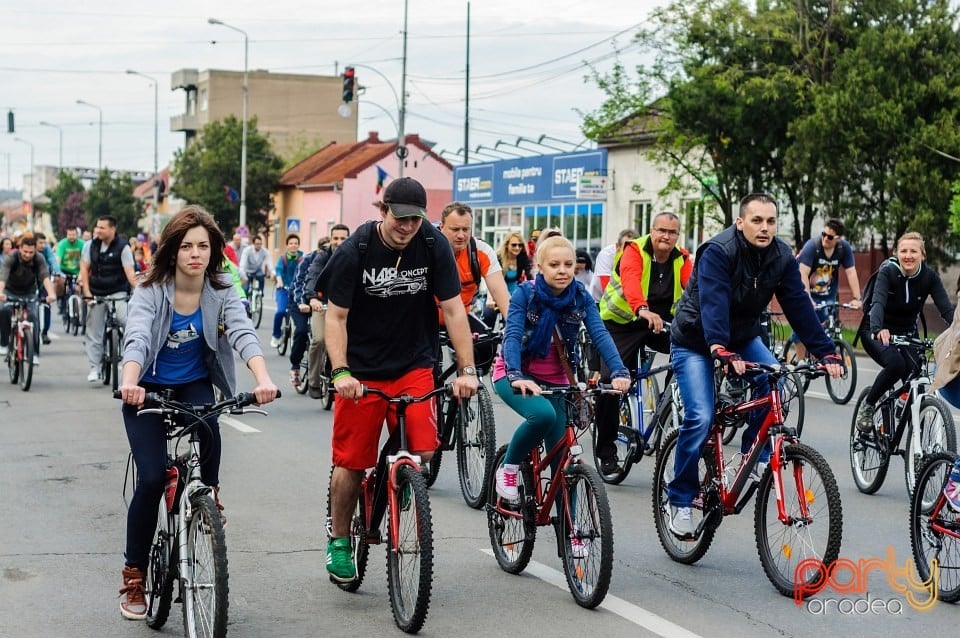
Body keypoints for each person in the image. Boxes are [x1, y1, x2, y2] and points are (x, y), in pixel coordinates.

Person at [115, 205, 278, 621]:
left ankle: (208, 496)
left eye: (203, 246)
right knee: (151, 478)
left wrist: (262, 379)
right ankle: (134, 575)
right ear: (173, 250)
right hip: (147, 389)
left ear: (214, 250)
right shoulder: (151, 289)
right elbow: (136, 336)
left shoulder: (221, 291)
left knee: (209, 425)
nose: (195, 254)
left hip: (192, 384)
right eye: (187, 246)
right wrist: (131, 382)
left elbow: (242, 332)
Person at [319, 176, 478, 583]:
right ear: (382, 210)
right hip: (361, 370)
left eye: (415, 219)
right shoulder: (356, 249)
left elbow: (454, 310)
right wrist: (340, 371)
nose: (407, 227)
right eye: (399, 218)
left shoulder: (433, 243)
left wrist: (467, 370)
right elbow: (335, 317)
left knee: (423, 450)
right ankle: (339, 539)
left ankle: (395, 475)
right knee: (351, 464)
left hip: (413, 363)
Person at [667, 193, 843, 539]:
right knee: (701, 416)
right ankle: (681, 500)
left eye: (771, 222)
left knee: (776, 380)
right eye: (757, 220)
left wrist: (826, 352)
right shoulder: (719, 251)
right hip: (696, 338)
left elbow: (798, 304)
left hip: (742, 336)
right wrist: (718, 345)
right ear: (740, 222)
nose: (765, 228)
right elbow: (714, 299)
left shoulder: (781, 257)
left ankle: (754, 454)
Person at [492, 235, 630, 515]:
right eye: (554, 264)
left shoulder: (580, 296)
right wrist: (516, 374)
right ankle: (508, 466)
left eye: (568, 264)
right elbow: (514, 334)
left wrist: (618, 370)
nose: (563, 270)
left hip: (559, 381)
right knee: (543, 416)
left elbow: (600, 334)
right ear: (539, 267)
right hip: (514, 375)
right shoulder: (525, 294)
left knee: (561, 462)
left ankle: (572, 531)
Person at [594, 212, 692, 474]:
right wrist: (641, 308)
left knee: (691, 350)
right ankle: (605, 450)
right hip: (621, 323)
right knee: (610, 383)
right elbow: (630, 281)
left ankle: (672, 404)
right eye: (661, 230)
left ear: (677, 235)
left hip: (657, 324)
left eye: (672, 232)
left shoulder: (682, 258)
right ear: (652, 230)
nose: (666, 236)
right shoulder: (634, 250)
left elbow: (695, 289)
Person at [855, 232, 953, 433]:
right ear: (896, 253)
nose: (908, 255)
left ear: (922, 255)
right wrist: (878, 328)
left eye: (913, 251)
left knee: (916, 372)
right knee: (896, 365)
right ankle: (869, 404)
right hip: (876, 330)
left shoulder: (929, 277)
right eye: (904, 251)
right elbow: (878, 303)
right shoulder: (888, 273)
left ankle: (907, 419)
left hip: (907, 333)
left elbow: (947, 310)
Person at [791, 218, 863, 360]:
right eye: (823, 234)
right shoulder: (813, 246)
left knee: (822, 329)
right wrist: (807, 298)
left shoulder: (843, 249)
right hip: (804, 290)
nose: (825, 238)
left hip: (827, 294)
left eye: (829, 237)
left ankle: (815, 359)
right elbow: (803, 273)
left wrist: (857, 298)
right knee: (801, 327)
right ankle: (800, 364)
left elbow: (851, 272)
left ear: (838, 238)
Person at [79, 215, 139, 382]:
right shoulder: (90, 245)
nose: (97, 230)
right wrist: (87, 292)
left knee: (127, 321)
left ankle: (131, 359)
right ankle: (95, 367)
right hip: (97, 292)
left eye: (102, 227)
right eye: (97, 227)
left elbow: (130, 273)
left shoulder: (123, 247)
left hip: (118, 292)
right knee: (93, 329)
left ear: (112, 229)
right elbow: (84, 269)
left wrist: (139, 291)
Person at [437, 201, 512, 336]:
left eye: (465, 229)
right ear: (441, 227)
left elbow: (501, 294)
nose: (461, 235)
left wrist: (514, 326)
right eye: (455, 229)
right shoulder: (427, 248)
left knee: (487, 348)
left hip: (461, 317)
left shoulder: (481, 251)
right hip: (426, 319)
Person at [300, 224, 350, 398]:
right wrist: (312, 298)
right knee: (320, 340)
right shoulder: (322, 257)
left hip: (344, 307)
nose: (339, 242)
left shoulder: (354, 255)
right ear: (331, 239)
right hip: (322, 305)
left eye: (343, 238)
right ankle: (313, 382)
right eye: (335, 238)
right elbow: (313, 276)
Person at [0, 235, 57, 363]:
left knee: (33, 317)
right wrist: (0, 292)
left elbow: (44, 276)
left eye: (31, 252)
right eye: (25, 251)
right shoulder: (11, 258)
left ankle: (34, 354)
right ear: (20, 248)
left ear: (35, 250)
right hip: (10, 291)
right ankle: (4, 343)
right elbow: (3, 276)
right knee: (4, 311)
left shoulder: (39, 258)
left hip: (29, 292)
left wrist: (51, 294)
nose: (27, 255)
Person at [589, 228, 639, 301]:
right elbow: (606, 287)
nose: (630, 251)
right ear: (617, 246)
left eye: (633, 247)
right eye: (625, 247)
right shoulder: (606, 255)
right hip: (599, 300)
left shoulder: (638, 255)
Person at [271, 234, 302, 348]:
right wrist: (279, 282)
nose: (293, 245)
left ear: (298, 245)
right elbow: (278, 271)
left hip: (297, 290)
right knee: (280, 311)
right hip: (283, 289)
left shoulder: (302, 258)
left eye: (296, 243)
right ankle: (276, 335)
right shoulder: (283, 258)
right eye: (291, 243)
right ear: (287, 246)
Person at [34, 232, 62, 345]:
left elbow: (52, 260)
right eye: (40, 243)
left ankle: (44, 332)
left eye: (44, 242)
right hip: (30, 281)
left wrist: (57, 272)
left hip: (43, 281)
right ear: (34, 242)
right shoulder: (29, 251)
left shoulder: (46, 250)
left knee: (46, 304)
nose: (43, 245)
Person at [496, 231, 533, 296]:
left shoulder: (522, 257)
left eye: (520, 245)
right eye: (514, 245)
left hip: (516, 295)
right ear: (507, 245)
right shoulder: (498, 258)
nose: (517, 248)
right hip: (500, 295)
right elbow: (494, 282)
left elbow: (530, 274)